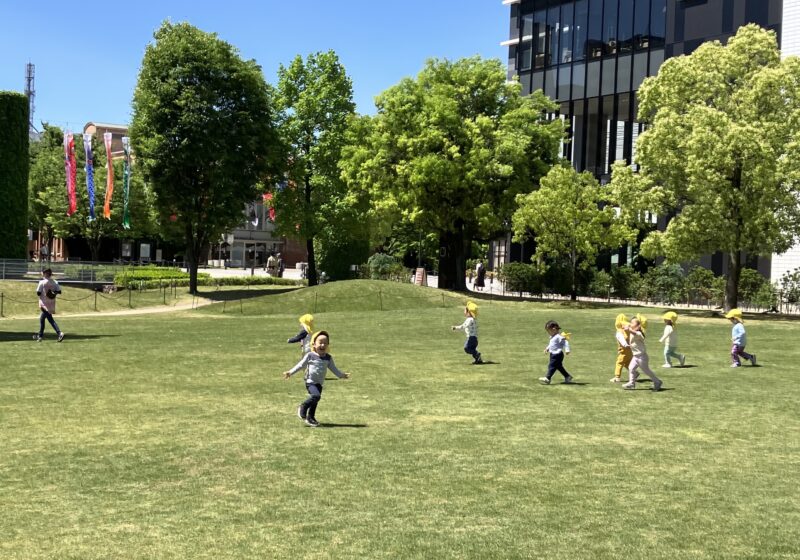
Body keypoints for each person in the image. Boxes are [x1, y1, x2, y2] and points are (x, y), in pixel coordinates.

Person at [283, 330, 350, 427]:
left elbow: (334, 369)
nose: (322, 345)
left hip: (319, 383)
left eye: (325, 343)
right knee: (316, 396)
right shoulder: (310, 355)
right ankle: (303, 407)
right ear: (314, 344)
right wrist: (290, 372)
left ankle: (311, 418)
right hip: (310, 382)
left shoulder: (328, 358)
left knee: (315, 401)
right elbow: (301, 365)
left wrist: (341, 375)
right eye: (320, 342)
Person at [622, 315, 663, 391]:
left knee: (646, 371)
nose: (630, 324)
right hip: (636, 356)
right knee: (631, 368)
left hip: (641, 357)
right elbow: (629, 329)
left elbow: (636, 333)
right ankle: (631, 383)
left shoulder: (639, 333)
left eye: (632, 323)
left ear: (638, 326)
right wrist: (627, 327)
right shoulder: (632, 331)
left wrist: (629, 329)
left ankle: (657, 382)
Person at [34, 268, 64, 342]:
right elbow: (59, 291)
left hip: (43, 303)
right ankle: (40, 336)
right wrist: (53, 292)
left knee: (50, 319)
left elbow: (38, 293)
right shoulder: (55, 282)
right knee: (42, 319)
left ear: (44, 273)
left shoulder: (42, 282)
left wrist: (45, 292)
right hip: (51, 303)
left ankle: (59, 333)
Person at [611, 313, 632, 383]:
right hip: (630, 351)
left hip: (624, 351)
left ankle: (617, 377)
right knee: (627, 363)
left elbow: (621, 340)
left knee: (619, 363)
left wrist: (625, 345)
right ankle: (635, 373)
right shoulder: (628, 331)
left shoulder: (619, 332)